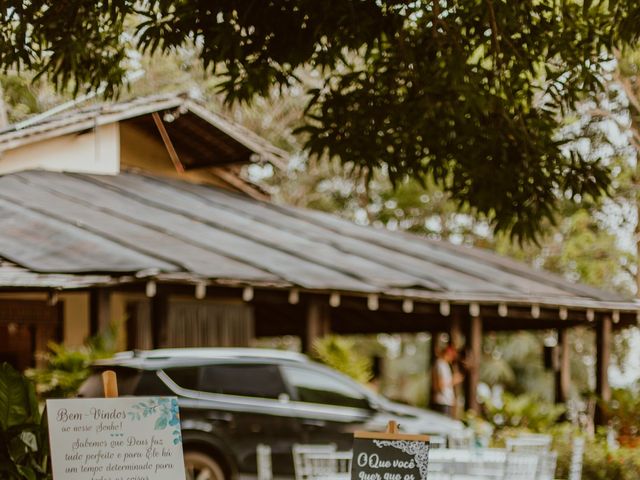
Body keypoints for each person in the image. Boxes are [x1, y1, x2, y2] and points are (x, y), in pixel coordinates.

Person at [431, 345, 463, 417]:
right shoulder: (440, 364)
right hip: (442, 402)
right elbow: (440, 385)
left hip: (446, 402)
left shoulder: (444, 365)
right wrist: (454, 380)